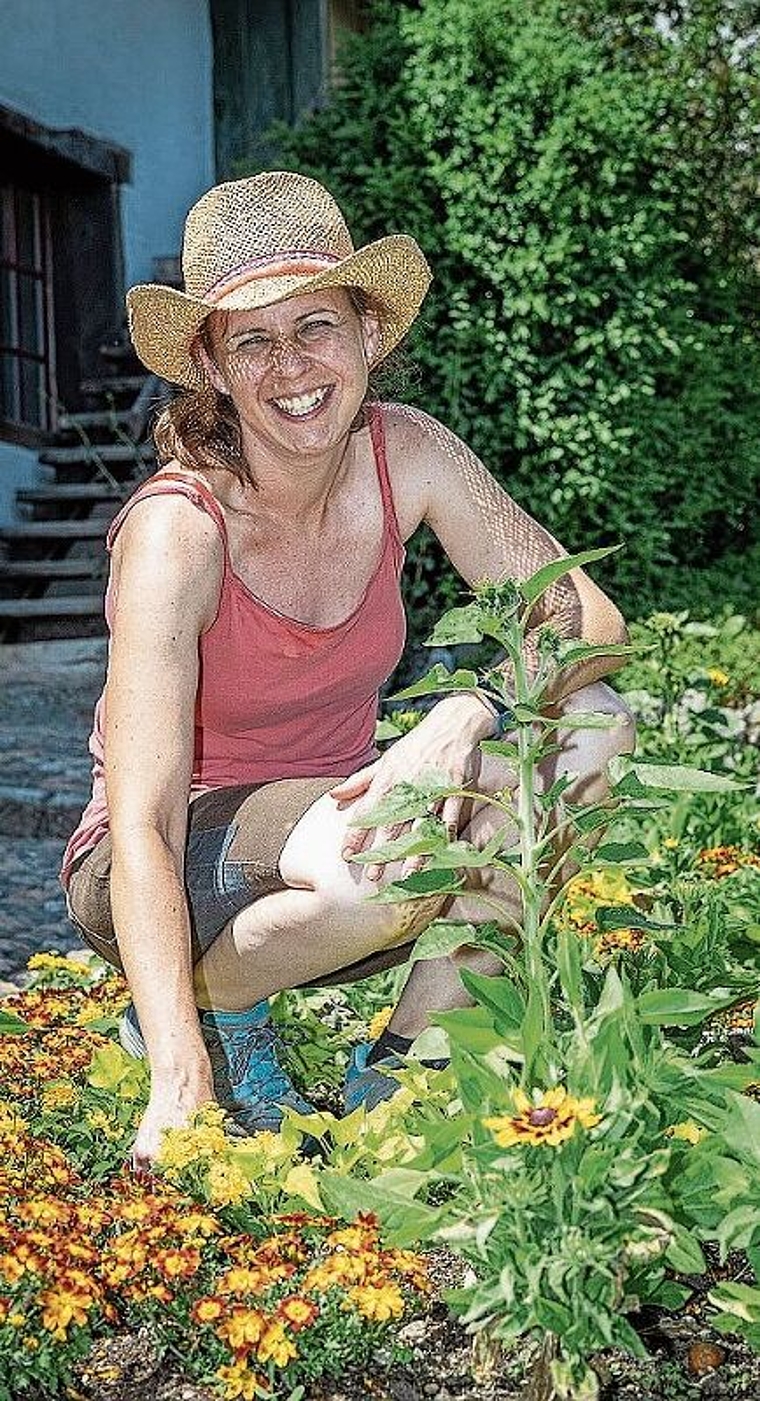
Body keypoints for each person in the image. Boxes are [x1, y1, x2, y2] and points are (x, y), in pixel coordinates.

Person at [61, 172, 634, 1169]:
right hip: (159, 871)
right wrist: (177, 1078)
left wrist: (468, 710)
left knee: (594, 726)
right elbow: (145, 820)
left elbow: (584, 618)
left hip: (334, 837)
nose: (291, 365)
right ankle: (205, 1014)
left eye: (315, 324)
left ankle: (400, 1067)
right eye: (251, 338)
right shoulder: (175, 533)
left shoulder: (406, 454)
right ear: (211, 368)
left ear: (370, 335)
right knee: (382, 850)